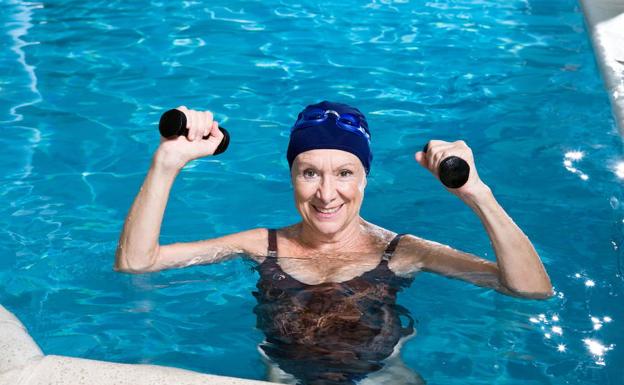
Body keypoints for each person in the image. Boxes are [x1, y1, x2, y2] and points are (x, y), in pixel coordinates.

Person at [114, 101, 553, 385]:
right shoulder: (261, 245)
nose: (327, 194)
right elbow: (138, 264)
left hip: (385, 380)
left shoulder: (402, 252)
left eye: (344, 173)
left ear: (365, 178)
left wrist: (475, 192)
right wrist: (166, 163)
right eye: (310, 173)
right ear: (291, 177)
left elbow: (529, 289)